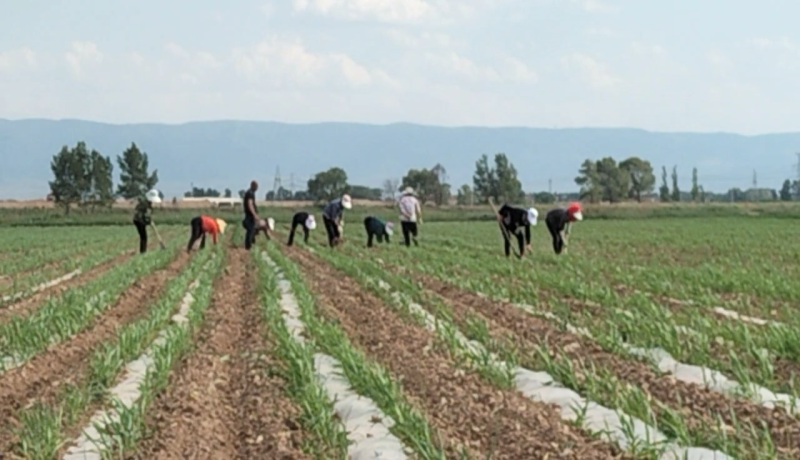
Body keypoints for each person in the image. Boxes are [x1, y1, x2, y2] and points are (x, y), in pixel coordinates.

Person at [133, 189, 161, 254]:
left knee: (143, 237)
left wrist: (149, 221)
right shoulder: (146, 205)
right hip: (139, 221)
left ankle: (143, 251)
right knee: (144, 237)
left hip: (138, 220)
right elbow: (146, 215)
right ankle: (143, 252)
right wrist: (149, 221)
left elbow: (145, 214)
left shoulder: (145, 203)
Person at [242, 180, 260, 250]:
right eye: (256, 186)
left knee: (253, 229)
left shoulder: (251, 193)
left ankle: (251, 243)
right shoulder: (250, 193)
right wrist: (254, 214)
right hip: (249, 215)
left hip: (249, 214)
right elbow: (250, 205)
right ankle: (248, 246)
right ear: (253, 186)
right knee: (251, 229)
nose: (257, 188)